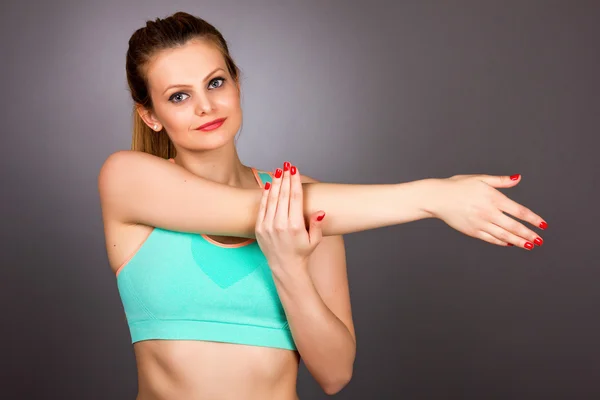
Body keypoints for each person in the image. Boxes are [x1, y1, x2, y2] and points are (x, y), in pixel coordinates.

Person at [97, 11, 548, 400]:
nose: (205, 106)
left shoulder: (317, 201)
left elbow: (335, 375)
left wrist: (290, 268)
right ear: (150, 114)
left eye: (216, 82)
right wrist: (433, 195)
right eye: (179, 96)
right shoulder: (127, 178)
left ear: (236, 81)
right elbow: (254, 211)